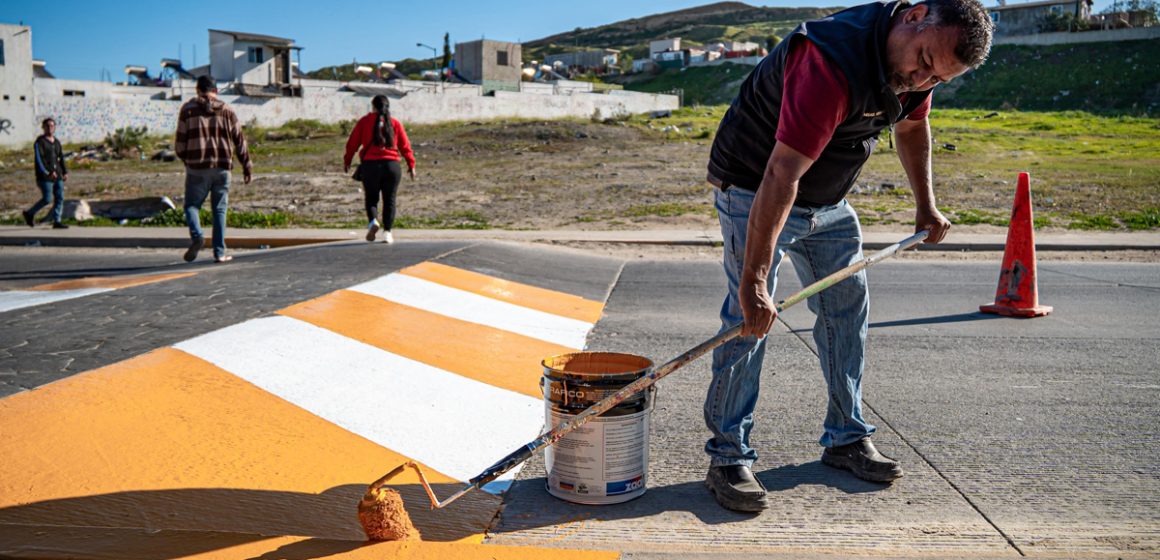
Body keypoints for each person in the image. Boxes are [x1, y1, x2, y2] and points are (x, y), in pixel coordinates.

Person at [702, 0, 993, 512]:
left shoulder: (921, 73)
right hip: (755, 185)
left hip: (827, 200)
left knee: (846, 310)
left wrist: (926, 206)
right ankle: (728, 455)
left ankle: (846, 437)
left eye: (937, 78)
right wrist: (756, 281)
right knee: (748, 320)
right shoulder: (829, 62)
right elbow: (781, 174)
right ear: (913, 15)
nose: (921, 78)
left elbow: (911, 128)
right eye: (922, 61)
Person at [174, 75, 252, 263]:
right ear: (215, 91)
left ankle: (197, 236)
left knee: (192, 206)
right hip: (222, 167)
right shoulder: (227, 111)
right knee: (219, 210)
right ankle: (219, 252)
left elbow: (180, 144)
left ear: (197, 90)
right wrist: (246, 165)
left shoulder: (187, 110)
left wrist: (186, 159)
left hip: (197, 168)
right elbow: (239, 141)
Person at [343, 95, 416, 244]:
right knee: (390, 200)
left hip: (371, 166)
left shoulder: (364, 122)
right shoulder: (395, 123)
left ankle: (373, 222)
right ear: (387, 107)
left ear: (373, 107)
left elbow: (353, 143)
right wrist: (411, 164)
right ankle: (388, 233)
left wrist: (347, 160)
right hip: (392, 166)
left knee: (371, 198)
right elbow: (405, 146)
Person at [23, 118, 69, 229]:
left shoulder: (56, 142)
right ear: (43, 127)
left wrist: (64, 171)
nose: (50, 128)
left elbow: (60, 157)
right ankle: (29, 213)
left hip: (57, 175)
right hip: (44, 177)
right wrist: (48, 172)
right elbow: (40, 160)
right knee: (47, 199)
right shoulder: (40, 142)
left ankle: (57, 221)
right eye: (47, 126)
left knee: (60, 197)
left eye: (52, 126)